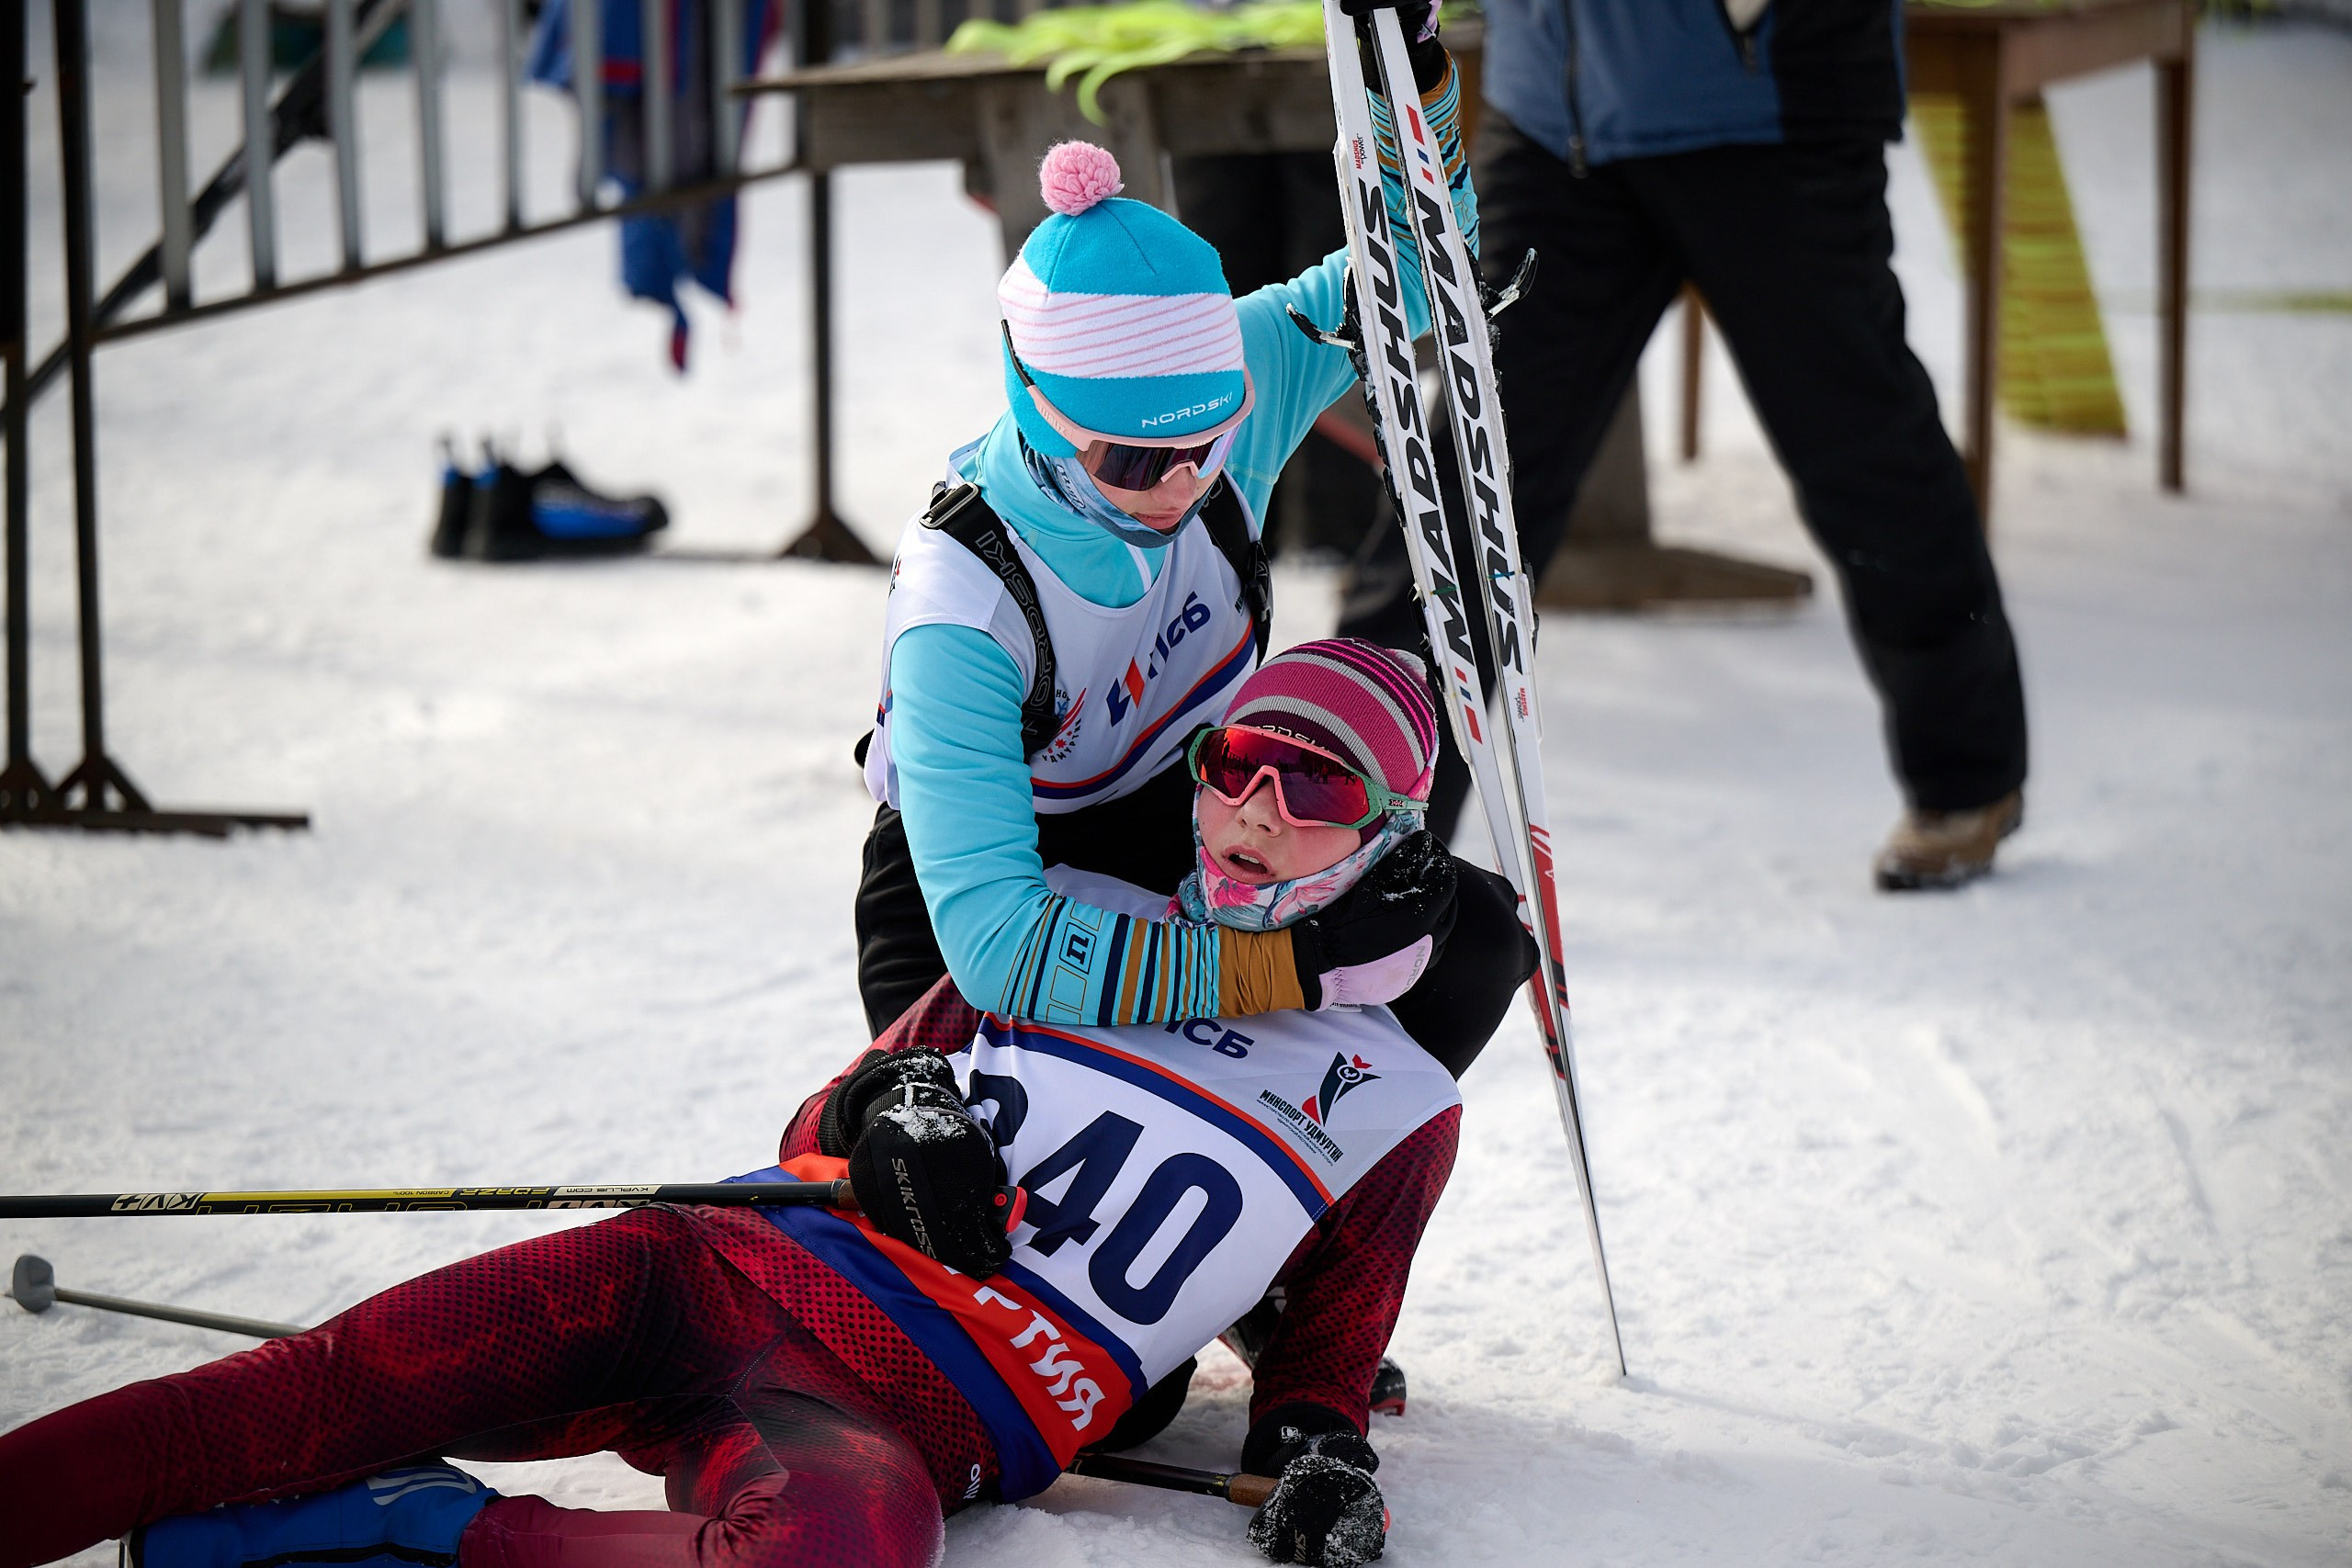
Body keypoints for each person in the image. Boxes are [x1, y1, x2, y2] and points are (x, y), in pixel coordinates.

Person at [1, 645, 1478, 1568]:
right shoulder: (1068, 922)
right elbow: (825, 1114)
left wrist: (1315, 1450)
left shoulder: (1394, 1093)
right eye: (1235, 763)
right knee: (293, 1396)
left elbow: (1329, 1346)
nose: (1253, 809)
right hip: (704, 1269)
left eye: (1316, 787)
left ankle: (404, 1527)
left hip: (895, 1416)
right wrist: (893, 1100)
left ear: (1393, 837)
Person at [854, 0, 1532, 1078]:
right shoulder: (962, 607)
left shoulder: (1238, 378)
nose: (1179, 483)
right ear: (1034, 408)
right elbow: (995, 949)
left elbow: (1419, 271)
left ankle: (1315, 1199)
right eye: (1128, 460)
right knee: (981, 1155)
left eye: (1211, 447)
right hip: (991, 895)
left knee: (1471, 938)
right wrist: (1286, 969)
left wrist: (1411, 82)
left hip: (1187, 816)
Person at [1334, 0, 2030, 891]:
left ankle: (1966, 779)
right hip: (1557, 111)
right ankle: (1353, 811)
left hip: (1765, 106)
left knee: (1861, 454)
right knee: (1469, 472)